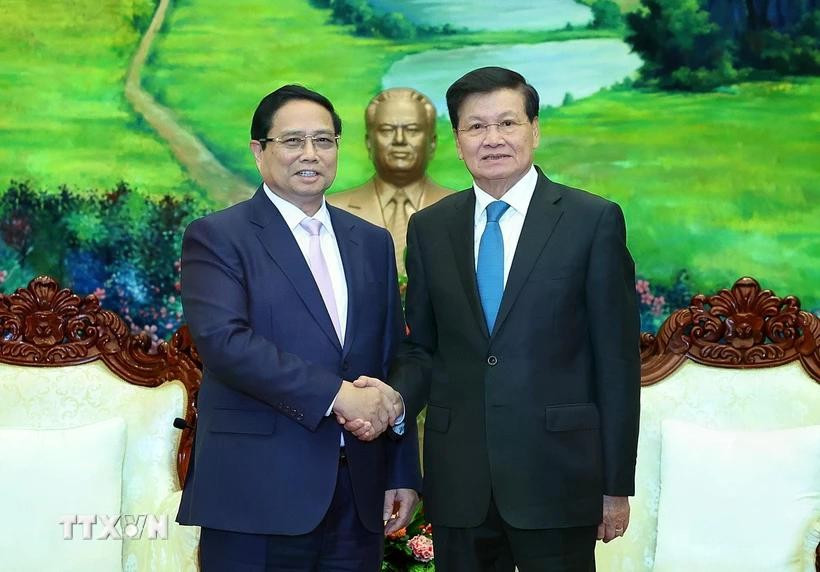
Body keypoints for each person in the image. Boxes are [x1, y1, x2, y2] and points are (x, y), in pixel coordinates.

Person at [351, 66, 641, 571]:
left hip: (558, 479)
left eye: (507, 123)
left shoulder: (592, 220)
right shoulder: (430, 228)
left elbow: (615, 361)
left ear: (534, 130)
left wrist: (615, 486)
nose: (493, 139)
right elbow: (422, 348)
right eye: (476, 127)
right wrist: (393, 401)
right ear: (458, 141)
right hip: (460, 482)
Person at [176, 84, 421, 572]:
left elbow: (393, 356)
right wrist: (339, 395)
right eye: (292, 141)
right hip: (256, 497)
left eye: (324, 141)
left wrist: (401, 470)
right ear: (259, 151)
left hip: (359, 498)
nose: (310, 154)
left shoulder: (370, 242)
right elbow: (227, 344)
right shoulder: (218, 236)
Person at [327, 88, 451, 275]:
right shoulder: (331, 210)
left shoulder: (463, 211)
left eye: (412, 130)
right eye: (386, 130)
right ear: (369, 142)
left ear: (432, 143)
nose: (399, 140)